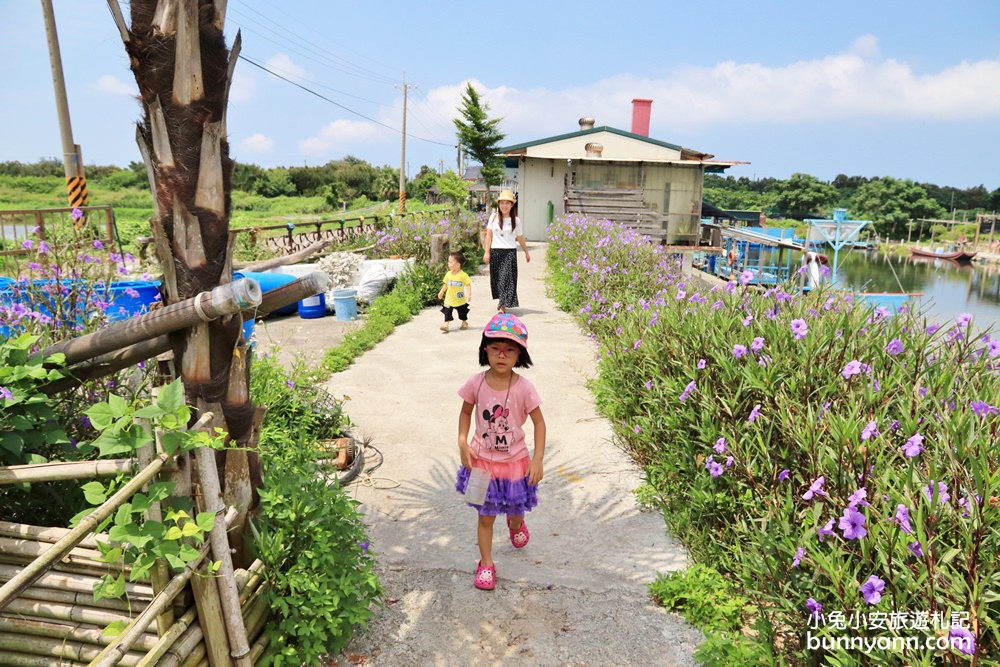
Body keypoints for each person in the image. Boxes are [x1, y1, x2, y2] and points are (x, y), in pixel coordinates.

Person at [455, 313, 546, 590]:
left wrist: (538, 458)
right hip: (482, 463)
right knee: (485, 516)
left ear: (519, 354)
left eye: (509, 349)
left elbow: (539, 423)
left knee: (516, 510)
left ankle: (516, 524)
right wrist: (462, 441)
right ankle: (486, 564)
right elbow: (465, 412)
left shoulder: (524, 388)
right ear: (485, 350)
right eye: (495, 348)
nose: (501, 355)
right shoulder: (476, 383)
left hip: (515, 465)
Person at [483, 190, 531, 313]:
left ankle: (502, 306)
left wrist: (526, 252)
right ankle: (502, 302)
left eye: (507, 203)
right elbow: (489, 236)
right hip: (496, 252)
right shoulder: (493, 217)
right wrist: (487, 252)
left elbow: (520, 237)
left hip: (509, 253)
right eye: (502, 203)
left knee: (506, 279)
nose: (504, 206)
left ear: (512, 205)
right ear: (498, 204)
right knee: (498, 279)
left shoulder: (516, 220)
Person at [437, 251, 472, 333]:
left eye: (450, 262)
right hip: (449, 299)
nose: (448, 264)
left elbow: (468, 285)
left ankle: (464, 321)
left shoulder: (463, 275)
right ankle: (446, 324)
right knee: (447, 311)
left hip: (460, 299)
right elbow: (445, 284)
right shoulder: (448, 274)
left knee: (462, 312)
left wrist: (468, 294)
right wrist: (441, 291)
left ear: (458, 264)